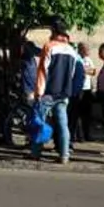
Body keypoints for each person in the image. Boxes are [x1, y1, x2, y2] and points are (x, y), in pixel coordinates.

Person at [30, 19, 78, 164]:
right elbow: (72, 73)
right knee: (63, 124)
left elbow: (42, 71)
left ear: (54, 31)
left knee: (40, 121)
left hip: (49, 92)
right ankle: (64, 155)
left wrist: (38, 92)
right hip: (64, 92)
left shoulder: (49, 46)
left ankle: (36, 152)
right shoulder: (72, 50)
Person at [68, 42, 97, 144]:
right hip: (79, 89)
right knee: (77, 113)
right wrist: (85, 70)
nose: (88, 51)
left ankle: (87, 134)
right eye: (86, 49)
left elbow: (94, 71)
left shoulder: (88, 59)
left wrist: (84, 70)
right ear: (81, 50)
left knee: (87, 113)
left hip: (87, 89)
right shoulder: (76, 58)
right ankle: (78, 136)